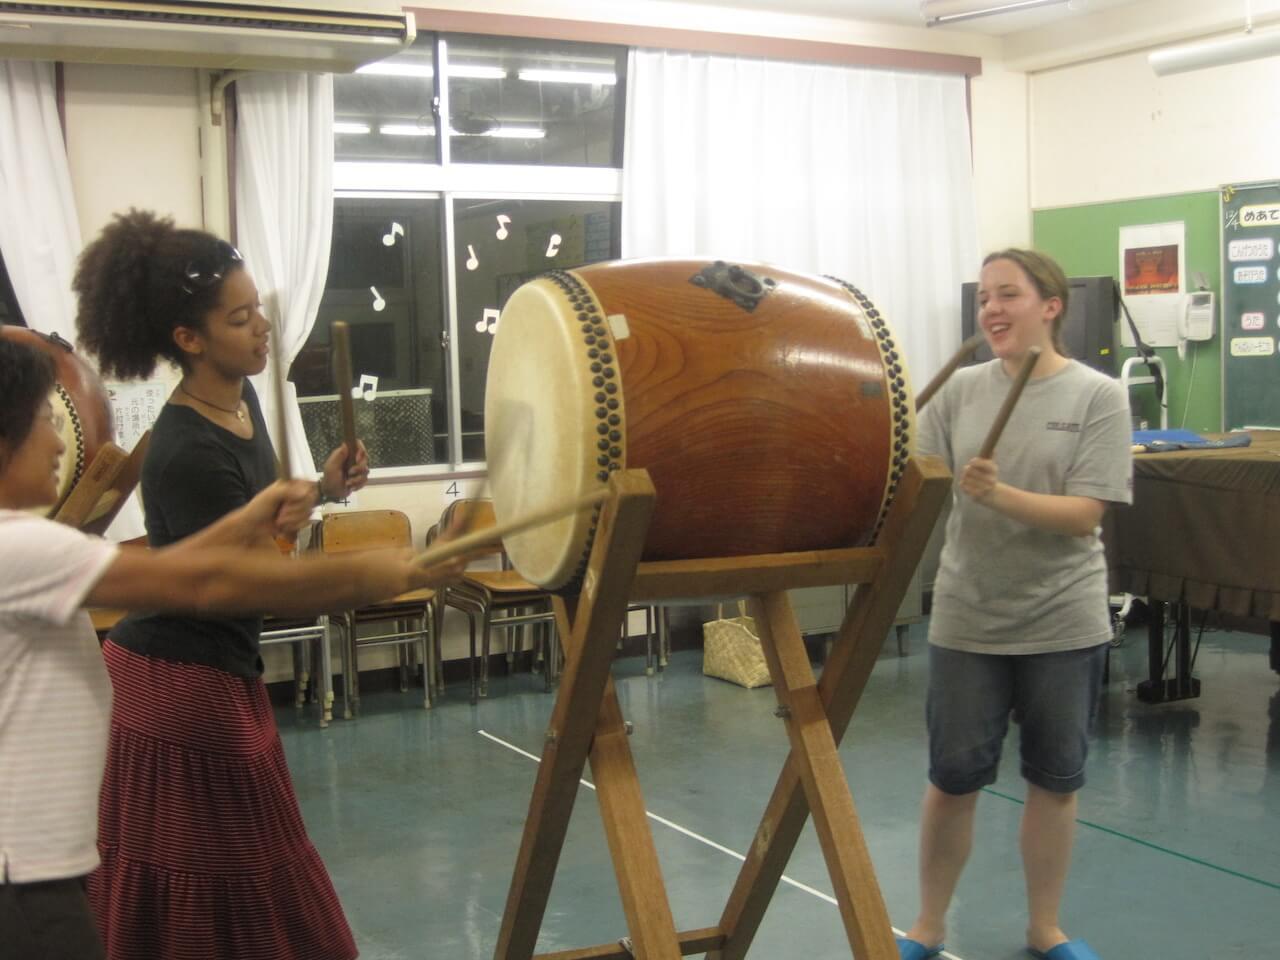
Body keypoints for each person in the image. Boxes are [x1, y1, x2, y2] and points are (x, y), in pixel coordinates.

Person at [0, 336, 464, 960]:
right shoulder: (21, 547)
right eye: (43, 420)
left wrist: (254, 517)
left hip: (34, 871)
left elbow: (181, 563)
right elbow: (202, 583)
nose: (60, 442)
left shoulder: (23, 543)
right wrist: (390, 571)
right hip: (23, 882)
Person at [72, 209, 372, 960]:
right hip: (177, 686)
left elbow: (255, 518)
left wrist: (323, 488)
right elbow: (246, 577)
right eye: (240, 320)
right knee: (219, 882)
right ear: (189, 339)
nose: (261, 329)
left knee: (252, 868)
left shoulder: (241, 401)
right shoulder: (184, 448)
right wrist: (365, 572)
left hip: (219, 670)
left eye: (257, 310)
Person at [897, 249, 1132, 960]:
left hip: (1063, 619)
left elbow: (1085, 514)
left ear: (1051, 306)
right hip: (968, 618)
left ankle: (1044, 929)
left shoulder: (1098, 396)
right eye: (984, 299)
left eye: (1009, 295)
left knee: (1054, 783)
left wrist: (997, 494)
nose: (991, 309)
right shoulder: (961, 390)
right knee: (952, 781)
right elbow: (913, 476)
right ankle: (927, 927)